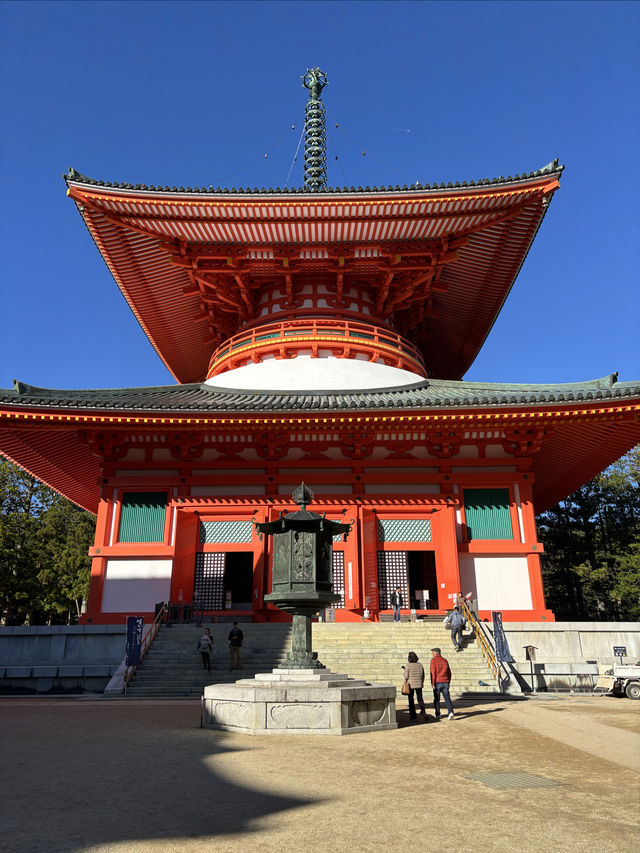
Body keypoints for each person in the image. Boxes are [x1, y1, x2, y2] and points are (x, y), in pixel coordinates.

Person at [430, 647, 455, 720]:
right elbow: (449, 672)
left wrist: (433, 683)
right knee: (447, 698)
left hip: (437, 681)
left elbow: (433, 673)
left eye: (432, 652)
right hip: (445, 681)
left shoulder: (433, 660)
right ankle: (451, 712)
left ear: (435, 653)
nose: (432, 654)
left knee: (437, 699)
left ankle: (438, 714)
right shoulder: (445, 660)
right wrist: (448, 681)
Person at [402, 651, 428, 722]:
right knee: (420, 699)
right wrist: (421, 682)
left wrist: (404, 673)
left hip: (411, 685)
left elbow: (406, 677)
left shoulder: (408, 665)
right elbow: (423, 675)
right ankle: (423, 711)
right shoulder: (420, 665)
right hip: (419, 684)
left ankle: (413, 716)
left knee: (411, 700)